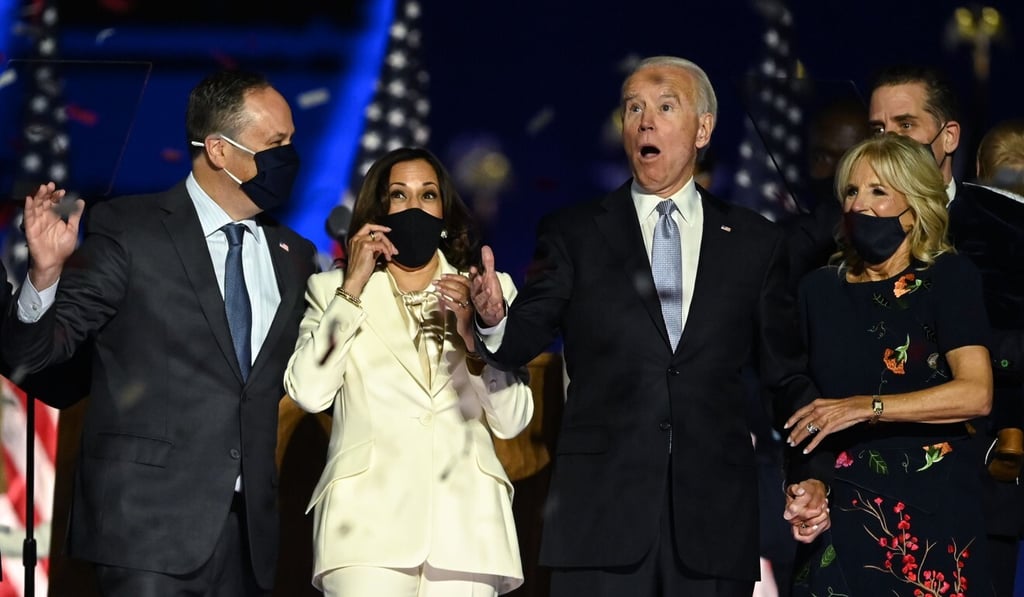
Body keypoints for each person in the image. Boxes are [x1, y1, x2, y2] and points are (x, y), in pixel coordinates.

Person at [469, 55, 820, 597]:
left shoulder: (754, 241)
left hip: (713, 522)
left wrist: (805, 470)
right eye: (633, 108)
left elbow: (784, 376)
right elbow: (517, 342)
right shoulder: (574, 233)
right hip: (600, 519)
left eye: (664, 106)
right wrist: (492, 317)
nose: (645, 121)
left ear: (703, 129)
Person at [0, 70, 318, 595]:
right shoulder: (130, 229)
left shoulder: (295, 255)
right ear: (219, 150)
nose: (289, 155)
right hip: (145, 532)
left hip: (247, 540)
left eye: (291, 141)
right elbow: (33, 356)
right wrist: (45, 275)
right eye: (275, 143)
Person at [283, 147, 533, 596]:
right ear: (380, 211)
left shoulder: (489, 292)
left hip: (468, 531)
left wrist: (478, 334)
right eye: (399, 195)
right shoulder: (331, 291)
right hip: (363, 533)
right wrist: (352, 290)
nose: (415, 207)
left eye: (428, 195)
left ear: (444, 211)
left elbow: (513, 420)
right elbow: (309, 392)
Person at [783, 133, 994, 596]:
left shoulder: (948, 278)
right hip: (843, 516)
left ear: (915, 204)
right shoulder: (818, 292)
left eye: (878, 191)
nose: (861, 204)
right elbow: (806, 411)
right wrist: (809, 487)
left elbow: (976, 393)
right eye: (852, 191)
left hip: (932, 518)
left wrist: (866, 407)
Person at [869, 64, 1024, 595]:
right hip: (867, 499)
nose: (888, 143)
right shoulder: (837, 231)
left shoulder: (1007, 226)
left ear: (948, 137)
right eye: (878, 131)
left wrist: (971, 351)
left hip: (979, 493)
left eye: (905, 126)